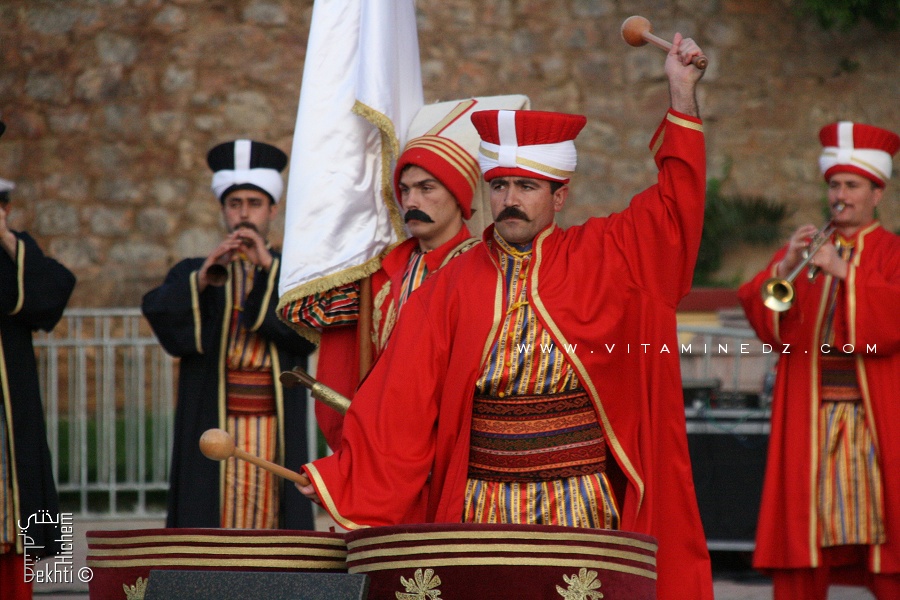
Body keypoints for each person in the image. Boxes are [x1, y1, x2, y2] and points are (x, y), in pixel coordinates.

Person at [298, 35, 713, 600]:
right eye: (499, 186)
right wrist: (342, 477)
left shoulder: (609, 254)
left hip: (581, 503)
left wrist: (681, 92)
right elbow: (400, 399)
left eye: (526, 186)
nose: (510, 199)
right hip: (482, 505)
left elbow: (676, 205)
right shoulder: (453, 285)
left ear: (559, 197)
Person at [739, 122, 900, 599]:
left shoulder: (893, 252)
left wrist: (844, 271)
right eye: (834, 185)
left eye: (852, 185)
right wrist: (785, 266)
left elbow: (891, 322)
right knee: (802, 537)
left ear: (877, 192)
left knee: (885, 538)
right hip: (808, 419)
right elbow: (765, 316)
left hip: (875, 420)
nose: (840, 195)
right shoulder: (807, 253)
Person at [142, 139, 315, 530]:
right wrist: (203, 277)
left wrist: (267, 268)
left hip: (274, 426)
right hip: (213, 420)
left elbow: (305, 335)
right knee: (211, 514)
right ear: (222, 210)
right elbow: (166, 322)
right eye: (235, 205)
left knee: (273, 516)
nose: (244, 214)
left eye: (254, 204)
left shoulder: (292, 274)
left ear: (272, 209)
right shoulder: (196, 270)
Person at [280, 131, 481, 451]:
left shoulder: (486, 270)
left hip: (459, 443)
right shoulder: (381, 275)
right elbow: (303, 309)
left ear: (458, 196)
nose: (412, 202)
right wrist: (352, 234)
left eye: (426, 188)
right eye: (405, 190)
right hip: (387, 442)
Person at [0, 119, 77, 600]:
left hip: (10, 411)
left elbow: (54, 293)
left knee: (21, 513)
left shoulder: (14, 251)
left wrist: (7, 238)